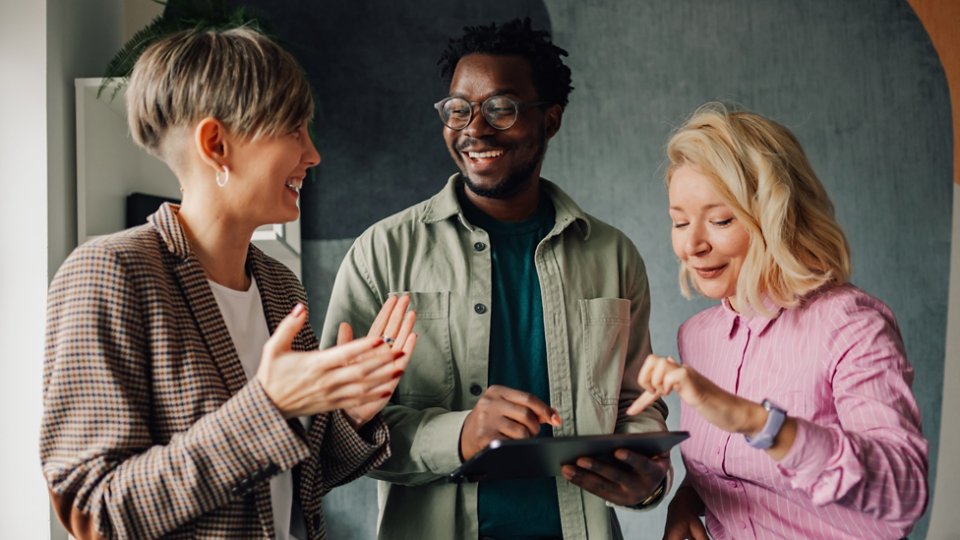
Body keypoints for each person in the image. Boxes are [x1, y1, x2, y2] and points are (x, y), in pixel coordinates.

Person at [40, 27, 417, 540]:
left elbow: (290, 483)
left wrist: (347, 415)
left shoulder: (281, 287)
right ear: (216, 143)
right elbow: (94, 512)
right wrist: (269, 407)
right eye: (294, 130)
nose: (313, 154)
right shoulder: (110, 274)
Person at [321, 18, 669, 540]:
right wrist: (459, 434)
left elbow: (636, 404)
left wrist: (646, 477)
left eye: (500, 109)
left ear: (550, 120)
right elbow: (334, 434)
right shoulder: (382, 254)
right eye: (458, 109)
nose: (474, 129)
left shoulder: (613, 255)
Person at [628, 103, 929, 540]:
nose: (692, 245)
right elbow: (732, 470)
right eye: (679, 221)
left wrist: (755, 421)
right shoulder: (697, 337)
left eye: (720, 220)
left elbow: (904, 492)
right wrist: (689, 501)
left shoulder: (851, 324)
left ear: (777, 216)